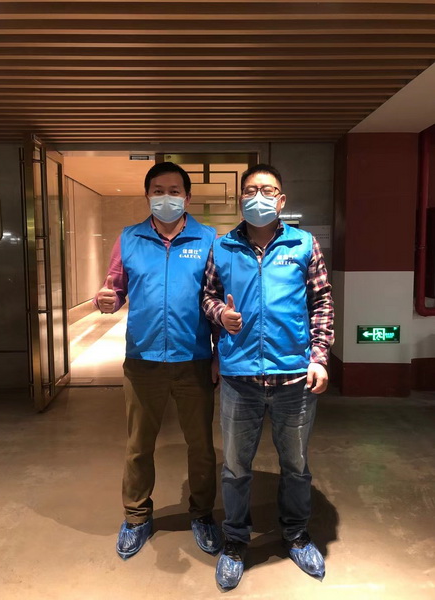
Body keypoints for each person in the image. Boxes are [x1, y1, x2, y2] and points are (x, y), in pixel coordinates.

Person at [202, 163, 334, 590]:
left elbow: (321, 302)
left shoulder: (303, 243)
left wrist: (319, 357)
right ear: (240, 198)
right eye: (251, 190)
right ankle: (235, 542)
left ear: (281, 200)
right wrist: (221, 314)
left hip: (294, 377)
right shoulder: (223, 246)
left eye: (268, 190)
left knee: (295, 465)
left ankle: (296, 535)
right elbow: (207, 296)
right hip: (240, 378)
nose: (258, 197)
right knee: (235, 468)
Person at [95, 162, 222, 560]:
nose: (166, 197)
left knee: (201, 446)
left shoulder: (209, 239)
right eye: (158, 190)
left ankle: (202, 514)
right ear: (148, 195)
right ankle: (136, 517)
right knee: (138, 445)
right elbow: (115, 289)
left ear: (187, 197)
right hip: (142, 360)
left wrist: (218, 353)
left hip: (194, 359)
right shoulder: (129, 238)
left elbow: (218, 298)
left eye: (174, 190)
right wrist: (107, 300)